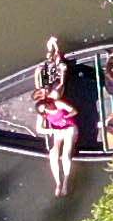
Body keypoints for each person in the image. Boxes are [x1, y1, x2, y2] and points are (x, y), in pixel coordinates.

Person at [31, 38, 80, 196]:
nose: (47, 108)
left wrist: (64, 120)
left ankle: (65, 181)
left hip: (69, 128)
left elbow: (73, 111)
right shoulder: (44, 107)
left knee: (66, 153)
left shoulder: (57, 101)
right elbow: (39, 128)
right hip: (58, 130)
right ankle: (57, 182)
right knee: (53, 153)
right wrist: (51, 132)